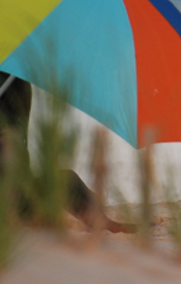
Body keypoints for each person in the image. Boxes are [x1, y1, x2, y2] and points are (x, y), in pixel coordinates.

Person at [0, 72, 134, 233]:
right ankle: (103, 223)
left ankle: (104, 223)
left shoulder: (13, 80)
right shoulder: (13, 79)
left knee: (66, 181)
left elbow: (11, 137)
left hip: (17, 191)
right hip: (13, 191)